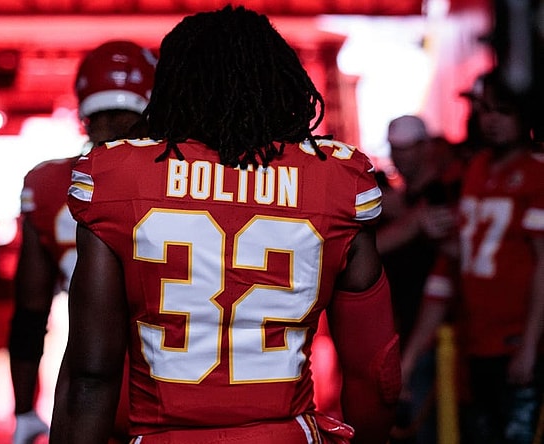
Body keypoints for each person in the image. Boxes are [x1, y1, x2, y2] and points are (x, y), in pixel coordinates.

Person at [50, 6, 400, 444]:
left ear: (173, 83)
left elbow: (91, 375)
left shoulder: (117, 177)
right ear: (279, 80)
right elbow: (375, 369)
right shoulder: (334, 182)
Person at [10, 40, 156, 444]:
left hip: (83, 386)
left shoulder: (49, 183)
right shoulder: (181, 180)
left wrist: (24, 408)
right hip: (170, 384)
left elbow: (30, 310)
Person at [401, 69, 544, 443]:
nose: (492, 120)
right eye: (485, 110)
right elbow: (454, 264)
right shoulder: (477, 169)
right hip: (475, 341)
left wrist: (530, 344)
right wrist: (412, 354)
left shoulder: (536, 173)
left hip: (517, 342)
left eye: (503, 110)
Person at [376, 115, 462, 444]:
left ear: (425, 148)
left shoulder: (444, 193)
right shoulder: (402, 201)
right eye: (395, 150)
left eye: (406, 150)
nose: (399, 157)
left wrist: (408, 221)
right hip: (403, 330)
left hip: (437, 336)